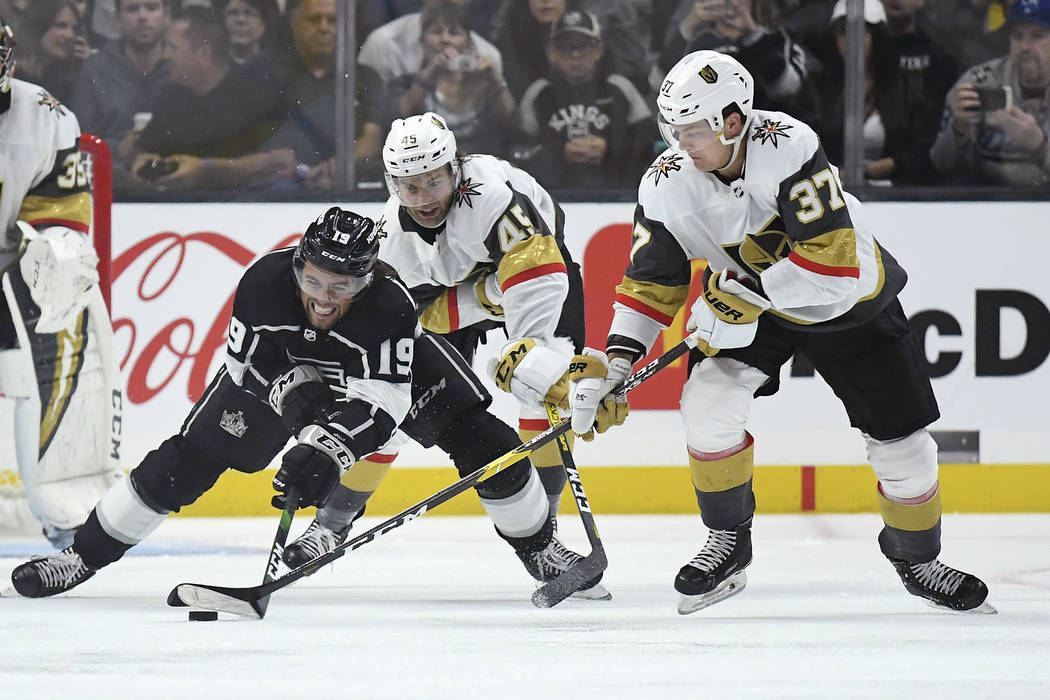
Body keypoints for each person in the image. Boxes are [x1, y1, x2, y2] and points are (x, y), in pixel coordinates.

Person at [568, 50, 994, 615]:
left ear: (733, 121)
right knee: (708, 400)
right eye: (673, 129)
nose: (681, 144)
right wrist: (617, 365)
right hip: (755, 302)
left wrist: (743, 297)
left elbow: (833, 263)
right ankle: (728, 541)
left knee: (904, 443)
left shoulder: (788, 144)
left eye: (693, 130)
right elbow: (649, 287)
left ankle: (918, 560)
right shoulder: (666, 185)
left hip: (847, 299)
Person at [10, 207, 604, 599]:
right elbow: (244, 366)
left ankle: (542, 551)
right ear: (299, 267)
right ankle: (84, 557)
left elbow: (385, 400)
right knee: (186, 458)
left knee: (486, 441)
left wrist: (326, 447)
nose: (325, 298)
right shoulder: (264, 284)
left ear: (366, 280)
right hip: (287, 371)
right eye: (315, 281)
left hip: (380, 372)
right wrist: (295, 397)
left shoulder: (390, 306)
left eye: (342, 286)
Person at [363, 112, 618, 600]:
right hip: (456, 296)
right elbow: (407, 315)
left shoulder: (493, 198)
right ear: (392, 182)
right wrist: (479, 300)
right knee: (394, 397)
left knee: (540, 396)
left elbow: (538, 276)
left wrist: (530, 353)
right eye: (409, 186)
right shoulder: (389, 238)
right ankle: (331, 524)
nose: (423, 198)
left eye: (433, 181)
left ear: (454, 168)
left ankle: (546, 540)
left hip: (539, 270)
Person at [0, 19, 122, 549]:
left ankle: (65, 520)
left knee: (42, 386)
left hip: (8, 274)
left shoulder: (45, 116)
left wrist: (47, 257)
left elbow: (63, 225)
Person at [124, 5, 294, 194]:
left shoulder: (257, 91)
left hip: (247, 208)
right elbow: (140, 148)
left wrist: (207, 171)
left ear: (203, 54)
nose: (165, 56)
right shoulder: (171, 96)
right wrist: (139, 158)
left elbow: (284, 159)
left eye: (172, 48)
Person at [517, 10, 654, 189]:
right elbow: (519, 150)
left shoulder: (621, 88)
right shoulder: (539, 93)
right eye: (565, 47)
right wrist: (560, 152)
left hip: (617, 196)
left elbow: (648, 144)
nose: (575, 55)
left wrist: (609, 149)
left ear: (598, 50)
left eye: (582, 46)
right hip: (554, 197)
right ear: (552, 52)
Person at [930, 0, 1050, 186]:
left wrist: (1040, 146)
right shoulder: (978, 81)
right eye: (1017, 36)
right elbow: (941, 165)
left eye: (1037, 36)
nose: (1025, 47)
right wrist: (958, 129)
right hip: (988, 203)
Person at [658, 0, 822, 126]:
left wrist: (752, 33)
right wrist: (689, 24)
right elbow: (661, 85)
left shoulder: (777, 38)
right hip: (712, 141)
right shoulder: (698, 43)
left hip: (769, 137)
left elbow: (785, 88)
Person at [390, 1, 515, 156]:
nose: (445, 39)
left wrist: (495, 78)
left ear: (469, 43)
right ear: (422, 41)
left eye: (454, 33)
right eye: (436, 32)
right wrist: (429, 73)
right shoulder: (407, 83)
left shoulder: (484, 82)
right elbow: (401, 115)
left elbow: (510, 117)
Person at [67, 0, 171, 177]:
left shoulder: (182, 65)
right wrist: (119, 149)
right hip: (112, 182)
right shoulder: (95, 70)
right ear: (118, 20)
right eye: (132, 9)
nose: (142, 17)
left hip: (178, 177)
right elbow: (80, 143)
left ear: (166, 15)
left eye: (151, 8)